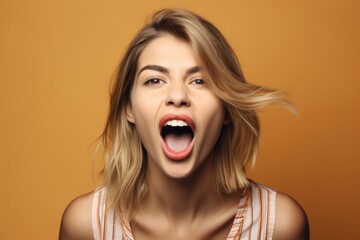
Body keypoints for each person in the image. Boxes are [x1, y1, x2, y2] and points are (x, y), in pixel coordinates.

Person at [59, 8, 309, 240]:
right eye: (155, 80)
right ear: (128, 108)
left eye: (200, 81)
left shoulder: (280, 225)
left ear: (227, 109)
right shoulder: (86, 226)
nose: (177, 96)